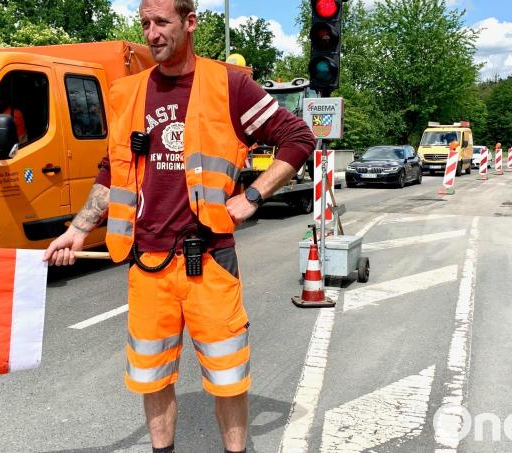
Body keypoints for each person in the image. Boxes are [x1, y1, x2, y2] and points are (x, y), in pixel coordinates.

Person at [43, 1, 315, 452]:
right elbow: (114, 171)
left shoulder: (230, 85)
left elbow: (298, 138)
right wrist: (77, 229)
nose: (152, 34)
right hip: (147, 262)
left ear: (190, 23)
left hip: (209, 259)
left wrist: (252, 196)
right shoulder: (127, 92)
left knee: (228, 378)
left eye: (162, 22)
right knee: (151, 375)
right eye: (145, 23)